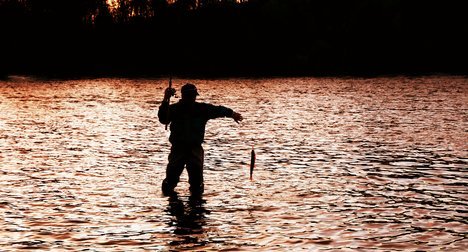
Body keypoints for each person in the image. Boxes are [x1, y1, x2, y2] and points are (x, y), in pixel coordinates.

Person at [158, 83, 243, 196]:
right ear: (184, 96)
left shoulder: (200, 109)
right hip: (179, 149)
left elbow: (218, 110)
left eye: (193, 96)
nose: (192, 98)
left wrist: (232, 114)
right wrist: (166, 99)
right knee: (171, 181)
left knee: (196, 183)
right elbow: (163, 119)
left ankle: (186, 203)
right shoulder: (175, 109)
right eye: (191, 96)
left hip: (193, 149)